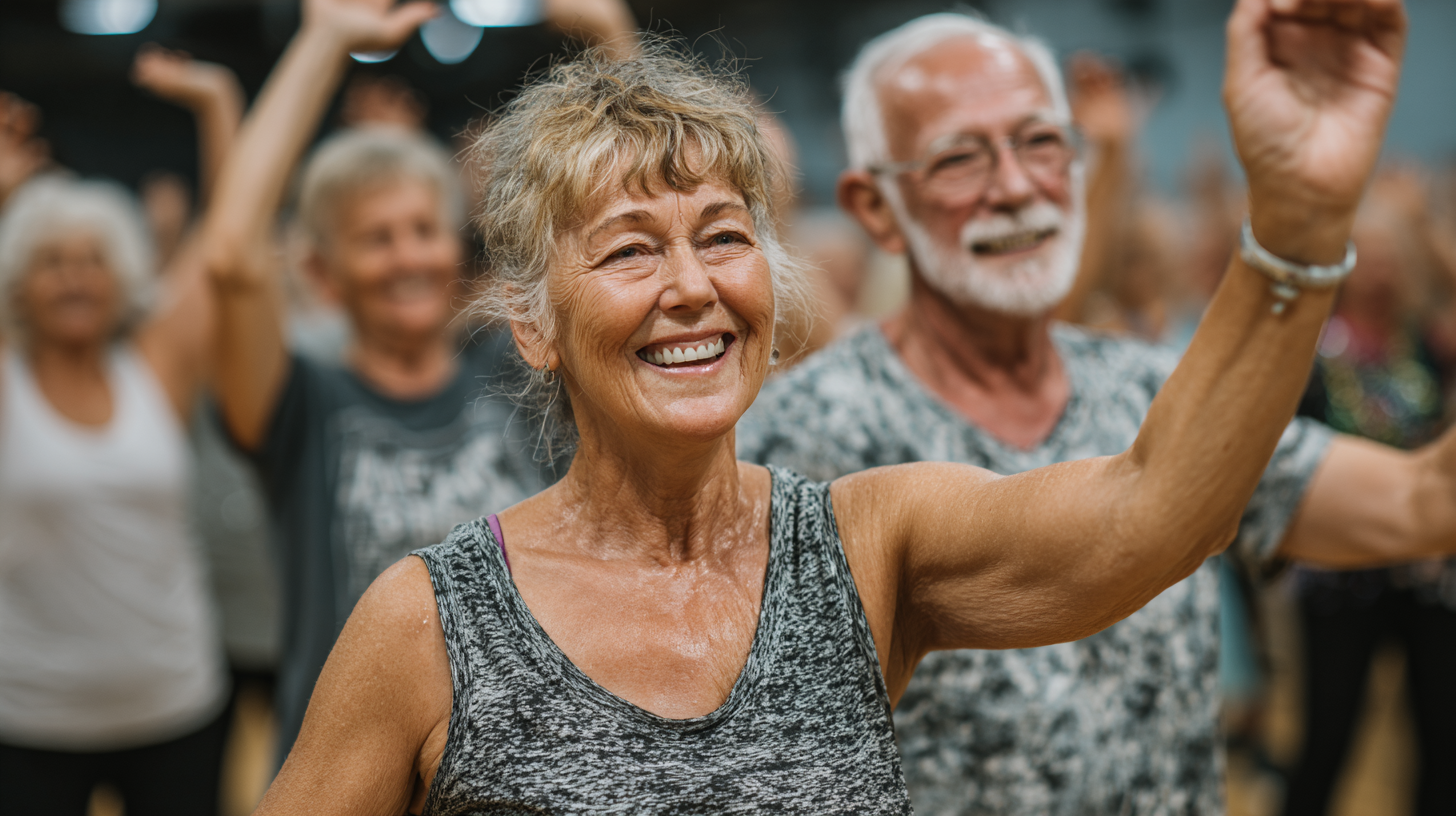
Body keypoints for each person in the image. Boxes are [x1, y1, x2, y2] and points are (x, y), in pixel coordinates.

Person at [220, 0, 1408, 811]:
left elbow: (1151, 515)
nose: (692, 285)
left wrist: (1297, 220)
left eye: (725, 237)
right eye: (631, 250)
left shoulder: (865, 544)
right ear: (533, 323)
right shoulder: (428, 624)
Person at [736, 8, 1453, 815]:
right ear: (875, 207)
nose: (1014, 187)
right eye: (959, 158)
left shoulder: (1154, 392)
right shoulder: (800, 436)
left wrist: (1313, 200)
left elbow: (1422, 502)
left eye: (1041, 142)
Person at [200, 0, 639, 766]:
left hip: (534, 758)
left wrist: (611, 39)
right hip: (353, 770)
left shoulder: (516, 367)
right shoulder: (303, 404)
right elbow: (233, 257)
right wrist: (323, 41)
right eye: (377, 238)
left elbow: (634, 213)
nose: (409, 257)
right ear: (320, 272)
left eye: (423, 229)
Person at [0, 184, 227, 811]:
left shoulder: (156, 365)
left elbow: (227, 236)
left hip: (174, 702)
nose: (75, 278)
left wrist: (216, 105)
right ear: (18, 282)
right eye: (52, 262)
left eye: (93, 260)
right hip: (29, 716)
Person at [1282, 197, 1456, 816]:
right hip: (1338, 576)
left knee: (1443, 739)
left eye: (1391, 257)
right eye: (1368, 256)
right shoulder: (1314, 349)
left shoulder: (1425, 343)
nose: (1380, 270)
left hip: (1425, 572)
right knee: (1329, 736)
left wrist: (1426, 228)